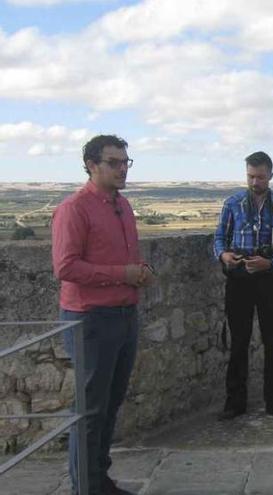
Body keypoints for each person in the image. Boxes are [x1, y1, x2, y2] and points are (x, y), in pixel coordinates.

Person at [52, 135, 154, 495]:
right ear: (92, 165)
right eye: (114, 162)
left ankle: (99, 480)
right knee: (90, 410)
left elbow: (123, 256)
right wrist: (121, 274)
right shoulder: (75, 208)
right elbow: (65, 267)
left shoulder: (122, 206)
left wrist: (139, 270)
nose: (122, 168)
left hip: (124, 313)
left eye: (126, 161)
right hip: (91, 319)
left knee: (110, 404)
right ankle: (86, 487)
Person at [213, 151, 273, 421]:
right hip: (239, 279)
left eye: (260, 177)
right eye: (250, 176)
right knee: (238, 342)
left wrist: (269, 264)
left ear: (271, 176)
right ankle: (234, 403)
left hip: (269, 280)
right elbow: (219, 239)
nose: (254, 181)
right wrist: (224, 256)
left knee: (272, 341)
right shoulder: (232, 203)